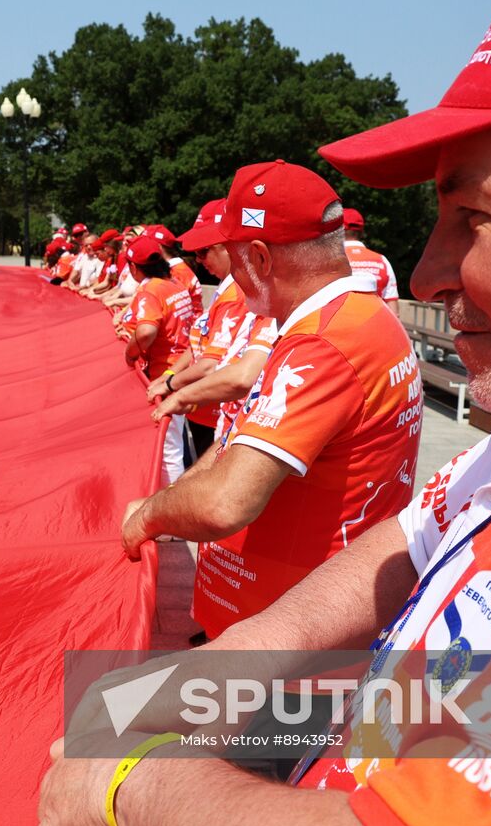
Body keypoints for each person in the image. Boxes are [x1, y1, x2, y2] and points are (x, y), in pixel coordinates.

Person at [38, 0, 491, 826]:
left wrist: (132, 784)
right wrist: (170, 696)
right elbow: (405, 543)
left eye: (474, 217)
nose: (427, 272)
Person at [136, 160, 422, 640]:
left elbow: (227, 503)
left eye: (231, 253)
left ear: (262, 259)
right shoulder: (359, 319)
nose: (225, 272)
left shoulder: (323, 345)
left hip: (287, 650)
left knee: (111, 708)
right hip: (293, 623)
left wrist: (148, 514)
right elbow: (237, 443)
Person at [146, 200, 250, 461]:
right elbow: (198, 347)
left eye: (203, 251)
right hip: (202, 405)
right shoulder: (224, 287)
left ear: (228, 246)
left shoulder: (236, 294)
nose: (199, 261)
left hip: (216, 410)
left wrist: (172, 386)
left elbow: (210, 365)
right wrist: (169, 376)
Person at [120, 233, 195, 483]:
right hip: (180, 369)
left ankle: (170, 510)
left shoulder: (151, 290)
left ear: (133, 267)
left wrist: (130, 353)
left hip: (165, 375)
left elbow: (146, 330)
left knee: (168, 449)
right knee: (174, 443)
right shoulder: (173, 283)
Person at [342, 208, 400, 314]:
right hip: (375, 326)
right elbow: (394, 311)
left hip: (340, 327)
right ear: (362, 232)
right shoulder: (382, 261)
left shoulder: (331, 262)